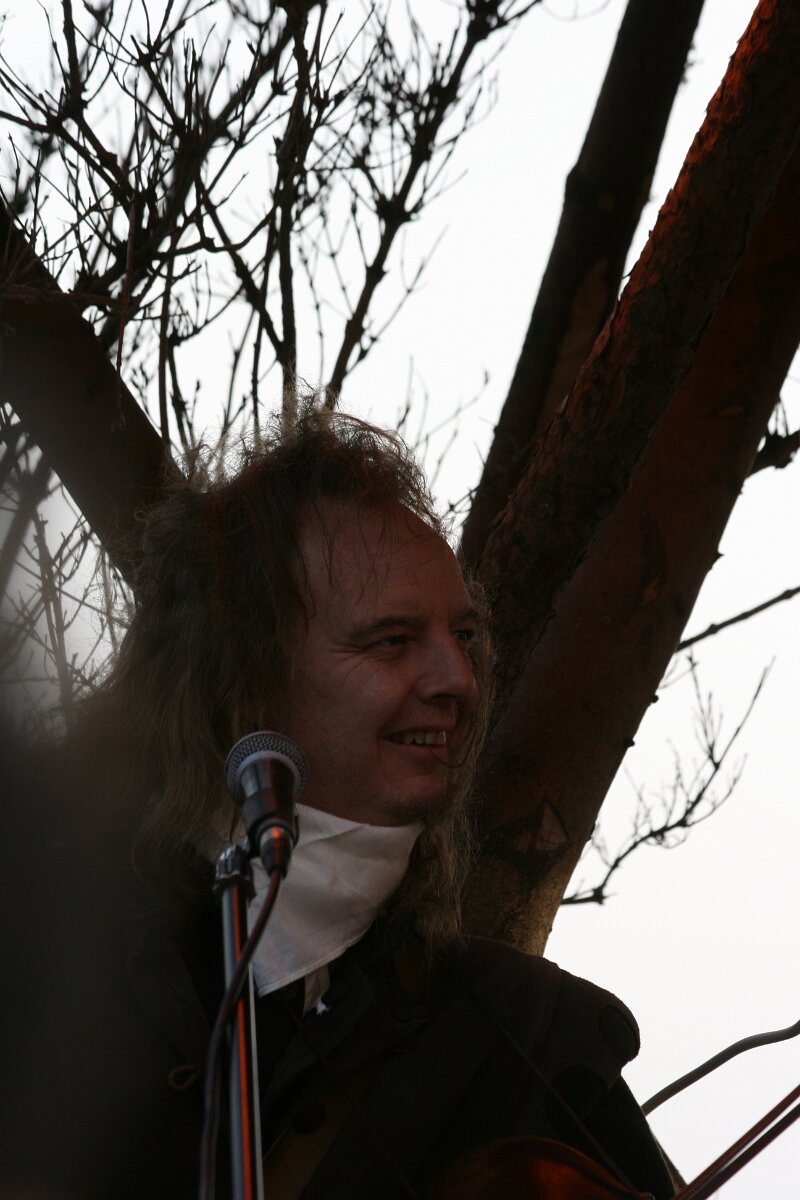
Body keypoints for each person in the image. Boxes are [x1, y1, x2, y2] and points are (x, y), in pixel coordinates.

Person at [8, 407, 675, 1199]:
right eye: (391, 640)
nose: (458, 680)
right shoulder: (40, 934)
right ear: (242, 678)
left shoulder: (530, 1038)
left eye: (464, 636)